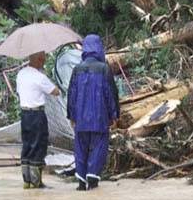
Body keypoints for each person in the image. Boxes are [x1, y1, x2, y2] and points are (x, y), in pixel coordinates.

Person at [67, 34, 119, 191]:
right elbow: (111, 93)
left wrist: (71, 116)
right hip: (100, 118)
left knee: (80, 149)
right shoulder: (104, 69)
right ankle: (92, 176)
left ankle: (81, 182)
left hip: (81, 119)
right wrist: (114, 115)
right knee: (98, 147)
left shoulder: (77, 69)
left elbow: (71, 95)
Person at [16, 51, 60, 189]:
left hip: (24, 114)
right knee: (39, 145)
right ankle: (36, 182)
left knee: (27, 144)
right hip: (37, 115)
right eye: (44, 59)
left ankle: (26, 180)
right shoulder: (40, 77)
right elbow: (55, 91)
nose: (44, 62)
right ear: (40, 60)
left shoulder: (21, 74)